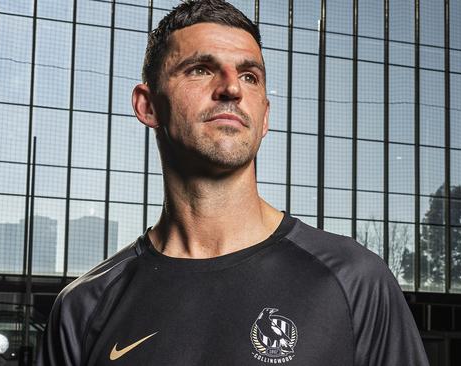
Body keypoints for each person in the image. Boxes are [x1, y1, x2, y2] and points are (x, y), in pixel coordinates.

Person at [37, 0, 429, 365]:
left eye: (249, 75)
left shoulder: (353, 279)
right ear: (148, 105)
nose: (232, 88)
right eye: (201, 69)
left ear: (265, 117)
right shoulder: (84, 307)